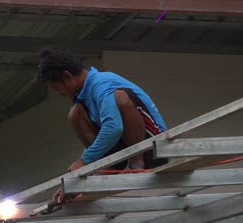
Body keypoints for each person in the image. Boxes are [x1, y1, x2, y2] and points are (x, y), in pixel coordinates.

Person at [37, 47, 168, 203]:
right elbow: (102, 135)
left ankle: (136, 162)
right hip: (124, 148)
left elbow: (114, 127)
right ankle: (108, 167)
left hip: (153, 147)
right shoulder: (86, 96)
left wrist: (84, 161)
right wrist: (83, 175)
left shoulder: (102, 83)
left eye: (55, 87)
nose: (58, 92)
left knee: (120, 97)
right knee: (75, 113)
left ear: (67, 76)